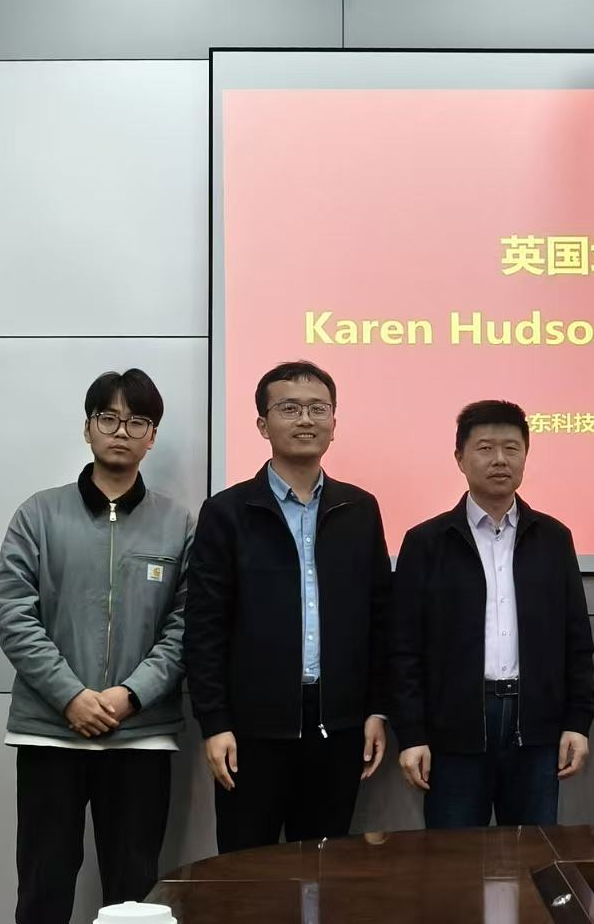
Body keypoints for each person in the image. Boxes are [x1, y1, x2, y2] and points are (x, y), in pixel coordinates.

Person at [0, 369, 194, 923]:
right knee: (43, 886)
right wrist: (71, 697)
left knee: (135, 896)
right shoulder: (39, 514)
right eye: (108, 418)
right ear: (87, 428)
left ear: (152, 437)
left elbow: (185, 626)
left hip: (141, 735)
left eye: (137, 421)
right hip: (49, 730)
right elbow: (14, 615)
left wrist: (130, 695)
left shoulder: (177, 524)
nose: (121, 431)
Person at [185, 360, 391, 852]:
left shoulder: (359, 509)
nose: (305, 420)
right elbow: (205, 627)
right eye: (290, 409)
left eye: (318, 409)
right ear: (263, 424)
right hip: (250, 731)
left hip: (339, 726)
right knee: (246, 870)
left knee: (324, 868)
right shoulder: (227, 512)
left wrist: (377, 709)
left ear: (334, 423)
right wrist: (215, 723)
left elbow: (381, 618)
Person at [392, 400, 594, 826]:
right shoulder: (427, 542)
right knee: (453, 858)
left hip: (535, 727)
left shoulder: (553, 538)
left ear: (526, 455)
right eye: (485, 448)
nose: (500, 459)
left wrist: (578, 722)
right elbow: (404, 648)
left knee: (532, 855)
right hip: (455, 728)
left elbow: (576, 639)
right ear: (460, 458)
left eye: (511, 448)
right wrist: (411, 734)